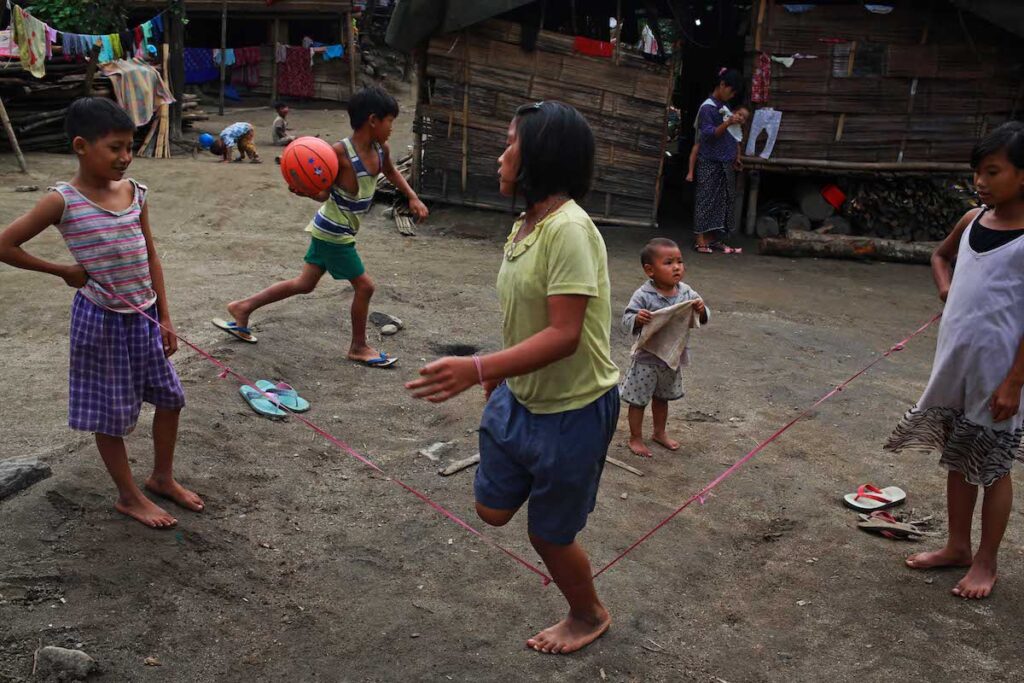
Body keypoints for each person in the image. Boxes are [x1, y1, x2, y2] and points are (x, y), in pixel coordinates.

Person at [406, 101, 620, 654]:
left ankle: (587, 613)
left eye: (510, 144)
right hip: (521, 394)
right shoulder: (527, 224)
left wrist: (479, 366)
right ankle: (541, 478)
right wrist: (501, 375)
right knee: (491, 509)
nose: (500, 156)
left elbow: (565, 334)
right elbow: (525, 316)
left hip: (574, 408)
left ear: (540, 157)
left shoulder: (569, 229)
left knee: (548, 534)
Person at [0, 97, 203, 528]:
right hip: (101, 321)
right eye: (114, 148)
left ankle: (162, 478)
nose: (125, 158)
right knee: (110, 415)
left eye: (130, 147)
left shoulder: (134, 193)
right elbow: (5, 245)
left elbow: (150, 254)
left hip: (145, 317)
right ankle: (129, 497)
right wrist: (62, 271)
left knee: (171, 398)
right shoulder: (63, 201)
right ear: (80, 146)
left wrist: (166, 316)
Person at [884, 121, 1024, 600]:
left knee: (992, 464)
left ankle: (986, 561)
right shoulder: (971, 221)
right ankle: (958, 546)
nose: (981, 181)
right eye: (977, 172)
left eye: (993, 171)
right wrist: (947, 287)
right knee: (958, 454)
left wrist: (1014, 383)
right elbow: (940, 257)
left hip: (999, 370)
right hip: (956, 362)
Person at [214, 86, 428, 367]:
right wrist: (305, 192)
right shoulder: (337, 154)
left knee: (304, 284)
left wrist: (412, 197)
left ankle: (242, 308)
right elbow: (324, 193)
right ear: (373, 120)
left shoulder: (381, 149)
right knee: (365, 287)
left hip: (340, 228)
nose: (392, 128)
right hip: (333, 232)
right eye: (391, 121)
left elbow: (390, 171)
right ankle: (359, 346)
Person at [621, 238, 708, 458]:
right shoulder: (643, 295)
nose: (677, 267)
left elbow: (704, 317)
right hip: (646, 358)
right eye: (668, 263)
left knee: (662, 398)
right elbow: (626, 319)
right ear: (650, 270)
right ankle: (635, 437)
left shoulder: (686, 293)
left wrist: (701, 308)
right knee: (638, 400)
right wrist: (638, 318)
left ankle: (659, 433)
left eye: (679, 261)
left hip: (672, 358)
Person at [693, 68, 744, 255]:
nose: (731, 95)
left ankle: (713, 239)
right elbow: (709, 134)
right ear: (722, 85)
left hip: (725, 161)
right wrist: (728, 122)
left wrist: (736, 156)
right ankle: (700, 241)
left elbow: (732, 135)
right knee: (705, 201)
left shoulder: (723, 106)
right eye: (731, 91)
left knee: (721, 202)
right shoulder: (707, 108)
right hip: (710, 160)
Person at [686, 104, 749, 184]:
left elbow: (737, 145)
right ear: (733, 112)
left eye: (744, 118)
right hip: (711, 135)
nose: (741, 118)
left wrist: (738, 158)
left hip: (719, 149)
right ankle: (690, 172)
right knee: (698, 146)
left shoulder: (737, 130)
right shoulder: (727, 114)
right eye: (740, 114)